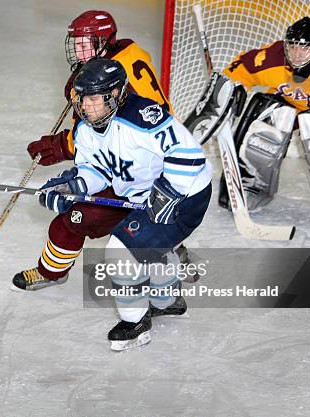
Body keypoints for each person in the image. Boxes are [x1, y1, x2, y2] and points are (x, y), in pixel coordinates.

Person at [38, 58, 211, 350]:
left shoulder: (144, 118)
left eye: (94, 99)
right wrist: (74, 186)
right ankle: (167, 301)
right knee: (147, 244)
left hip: (187, 194)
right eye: (81, 99)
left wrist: (169, 191)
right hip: (143, 196)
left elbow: (190, 156)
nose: (86, 107)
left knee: (120, 251)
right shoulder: (86, 128)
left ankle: (135, 322)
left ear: (116, 94)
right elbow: (98, 169)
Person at [13, 10, 173, 291]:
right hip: (132, 162)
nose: (79, 50)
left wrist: (62, 145)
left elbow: (102, 132)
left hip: (143, 169)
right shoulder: (124, 58)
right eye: (76, 43)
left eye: (86, 43)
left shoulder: (112, 83)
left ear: (105, 41)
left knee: (98, 223)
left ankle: (166, 279)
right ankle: (52, 272)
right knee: (75, 218)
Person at [215, 17, 310, 216]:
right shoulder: (274, 57)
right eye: (293, 46)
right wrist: (230, 89)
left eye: (305, 48)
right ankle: (250, 184)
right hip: (286, 110)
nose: (296, 54)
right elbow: (240, 67)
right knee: (265, 108)